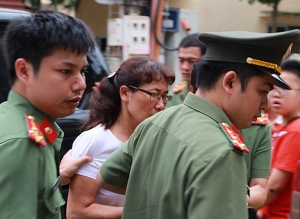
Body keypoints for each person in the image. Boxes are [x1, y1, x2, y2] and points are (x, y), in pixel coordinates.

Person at [96, 30, 300, 219]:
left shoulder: (156, 122)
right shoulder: (222, 152)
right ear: (229, 82)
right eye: (263, 91)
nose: (265, 104)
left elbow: (106, 178)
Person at [0, 10, 96, 218]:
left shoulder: (19, 122)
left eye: (83, 71)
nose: (81, 84)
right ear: (24, 71)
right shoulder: (22, 141)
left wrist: (57, 178)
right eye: (66, 71)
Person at [66, 56, 175, 219]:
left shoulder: (158, 140)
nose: (160, 105)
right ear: (125, 93)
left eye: (165, 97)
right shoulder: (95, 141)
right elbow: (77, 212)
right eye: (154, 95)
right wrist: (138, 211)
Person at [189, 61, 272, 215]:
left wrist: (227, 197)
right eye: (262, 92)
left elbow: (260, 189)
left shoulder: (258, 128)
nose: (265, 104)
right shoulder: (185, 125)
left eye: (266, 93)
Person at [258, 59, 300, 219]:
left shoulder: (296, 131)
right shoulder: (284, 128)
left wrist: (245, 209)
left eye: (284, 88)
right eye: (273, 88)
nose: (276, 94)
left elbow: (274, 187)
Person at [166, 33, 206, 107]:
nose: (185, 67)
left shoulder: (216, 96)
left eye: (191, 61)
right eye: (181, 61)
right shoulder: (174, 96)